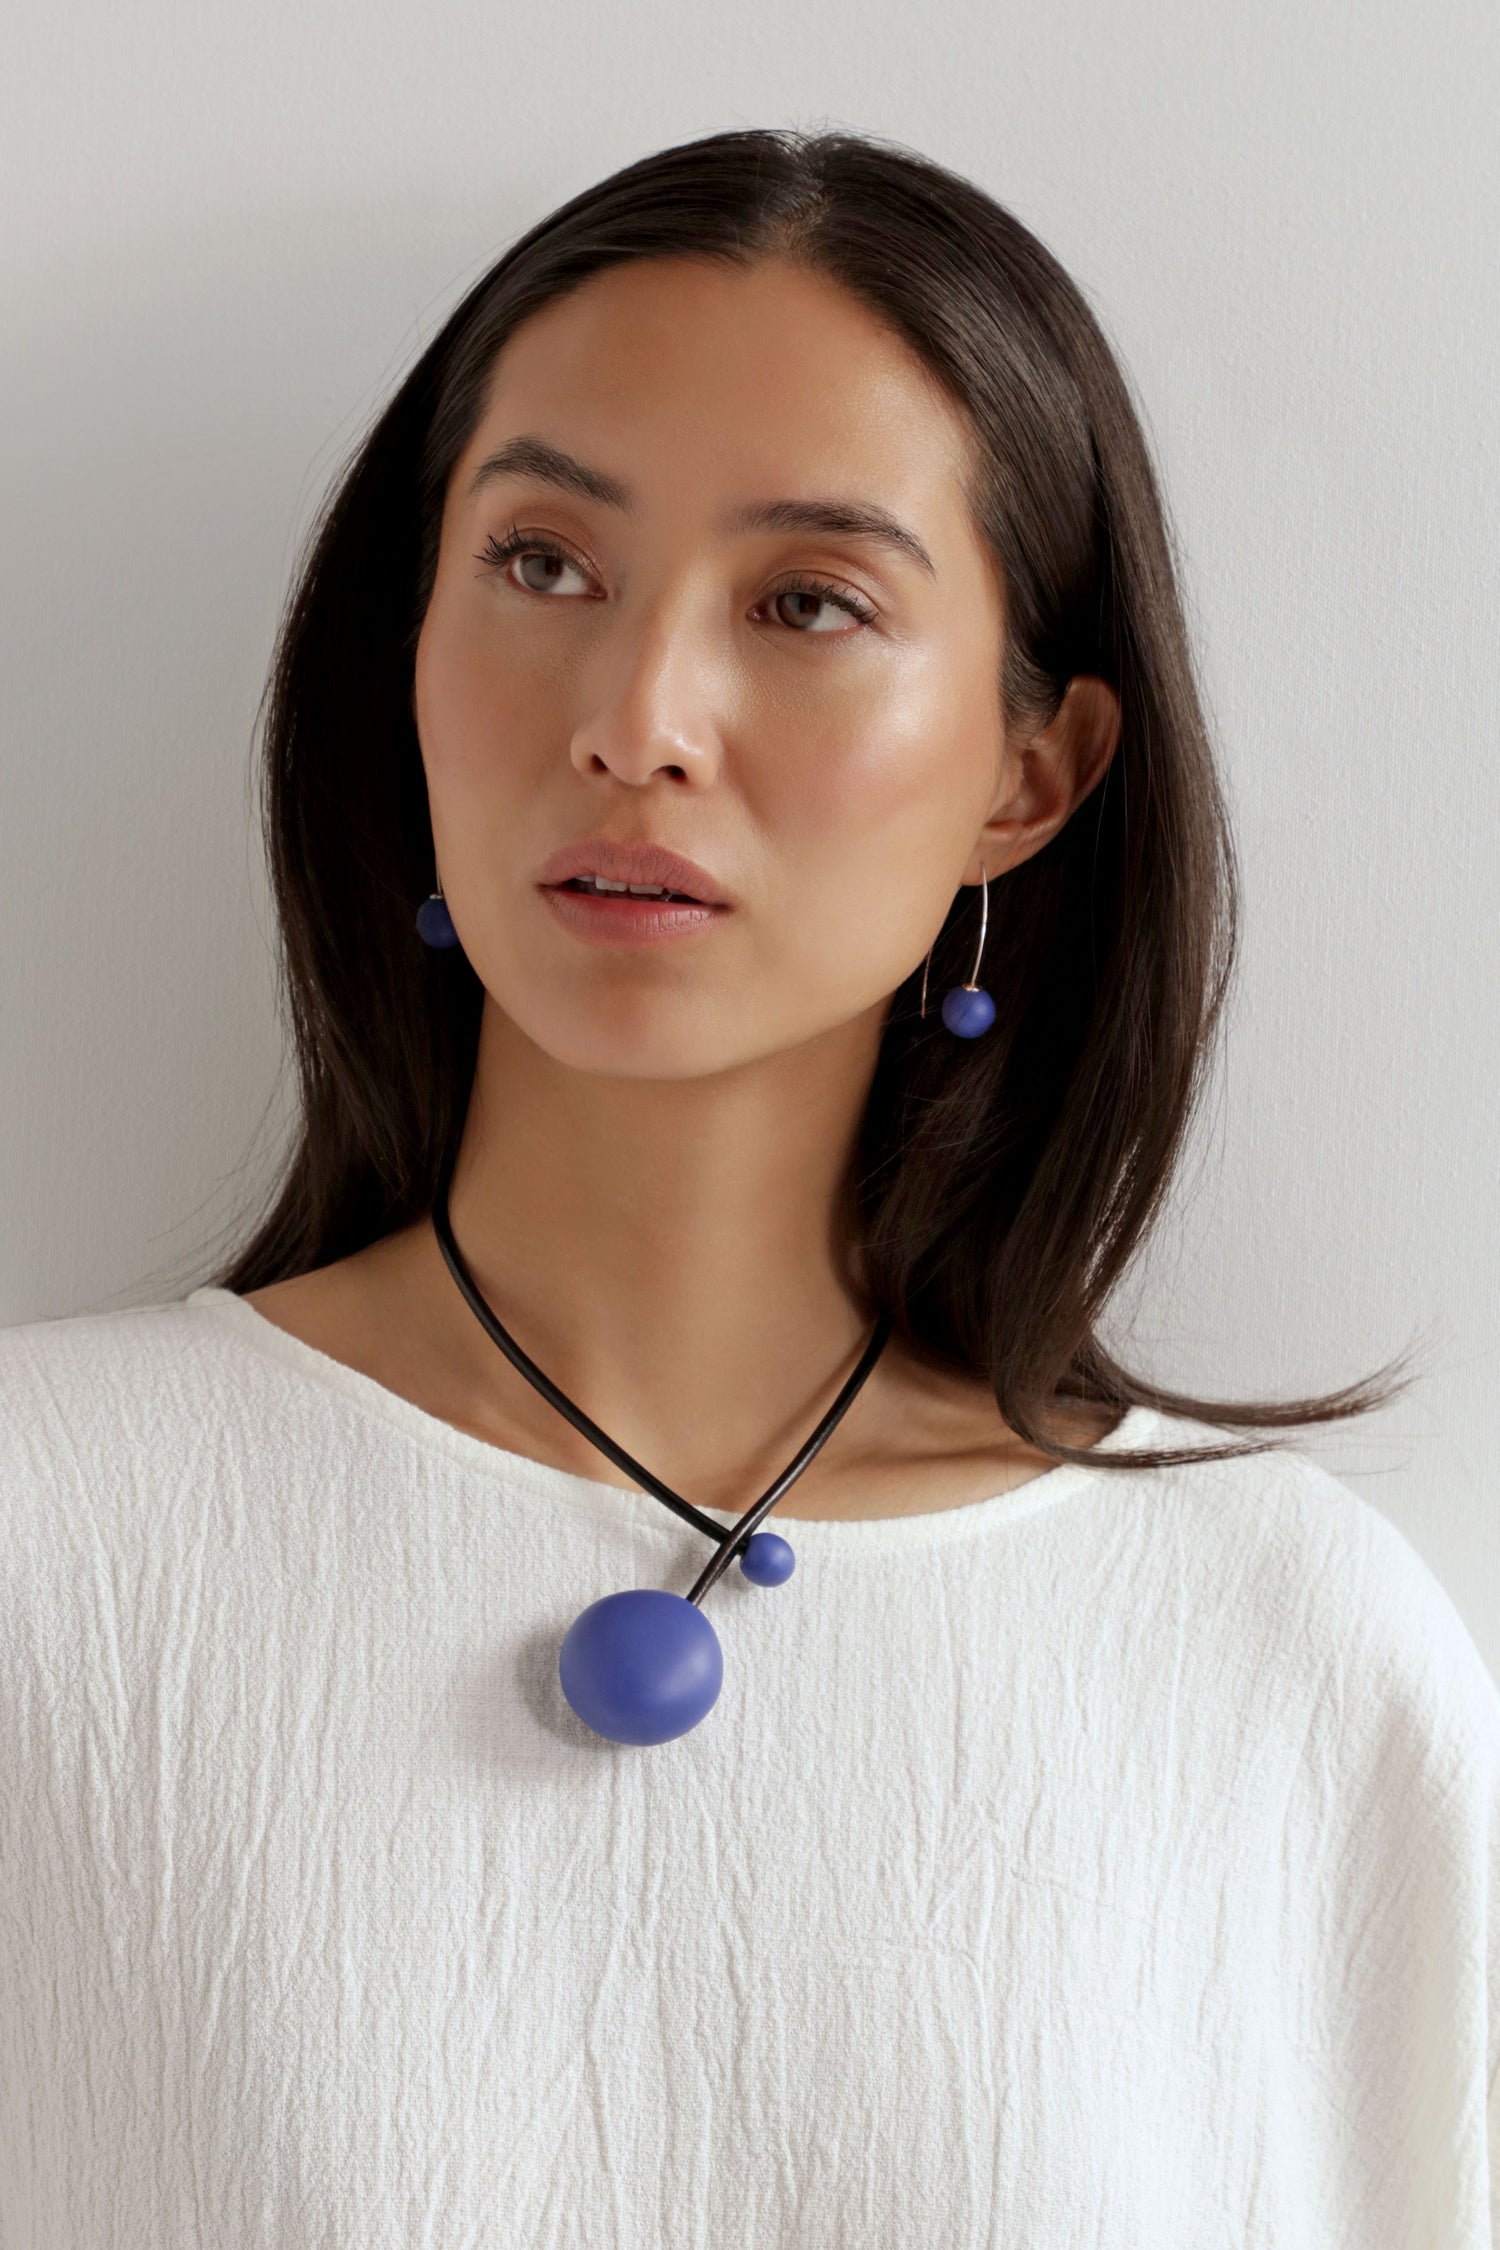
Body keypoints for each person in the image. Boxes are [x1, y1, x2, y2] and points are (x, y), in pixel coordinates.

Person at [1, 126, 1495, 2248]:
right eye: (540, 564)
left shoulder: (1288, 1666)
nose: (635, 715)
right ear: (403, 651)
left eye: (809, 600)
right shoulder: (45, 1554)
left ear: (1030, 772)